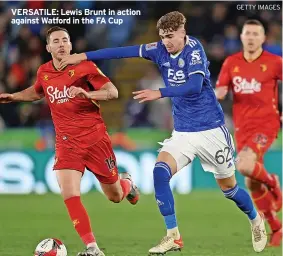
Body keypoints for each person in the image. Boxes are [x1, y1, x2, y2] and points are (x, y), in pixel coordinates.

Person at [59, 12, 268, 254]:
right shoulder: (158, 49)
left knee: (229, 190)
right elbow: (122, 51)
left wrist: (160, 92)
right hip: (183, 133)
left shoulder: (194, 50)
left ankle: (255, 219)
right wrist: (83, 56)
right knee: (160, 172)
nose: (166, 42)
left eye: (170, 36)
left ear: (182, 32)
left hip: (211, 130)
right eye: (162, 37)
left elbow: (195, 85)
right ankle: (173, 236)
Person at [0, 26, 139, 256]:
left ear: (71, 45)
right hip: (66, 142)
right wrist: (14, 97)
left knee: (115, 196)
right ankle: (92, 248)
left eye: (65, 40)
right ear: (48, 47)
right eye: (56, 41)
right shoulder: (44, 71)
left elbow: (112, 92)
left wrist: (88, 94)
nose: (62, 44)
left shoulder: (84, 67)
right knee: (69, 194)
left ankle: (127, 184)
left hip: (95, 139)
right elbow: (38, 91)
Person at [215, 19, 282, 247]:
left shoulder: (274, 62)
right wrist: (216, 93)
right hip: (242, 128)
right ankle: (276, 227)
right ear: (241, 36)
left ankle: (273, 183)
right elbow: (221, 89)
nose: (251, 37)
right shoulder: (231, 63)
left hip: (267, 123)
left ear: (263, 38)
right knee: (251, 182)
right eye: (248, 33)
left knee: (243, 165)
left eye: (256, 34)